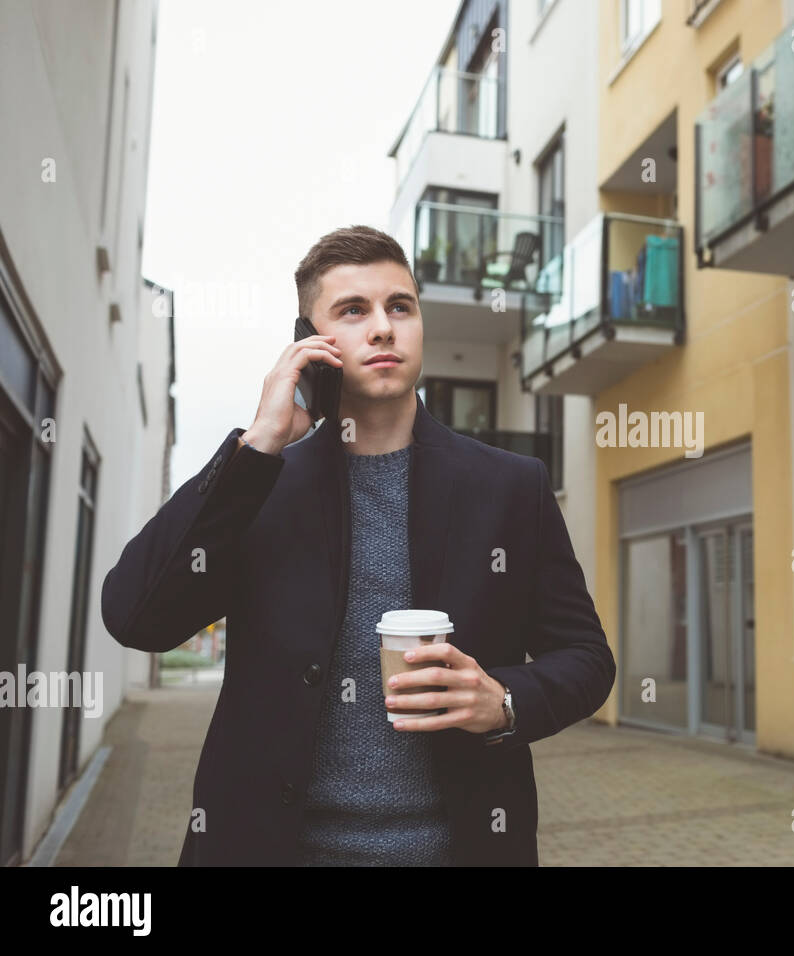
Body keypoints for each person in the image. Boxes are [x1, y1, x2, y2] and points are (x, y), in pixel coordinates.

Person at [100, 225, 615, 866]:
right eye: (353, 310)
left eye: (400, 306)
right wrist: (257, 443)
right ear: (307, 342)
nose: (383, 327)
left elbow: (588, 659)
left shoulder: (511, 486)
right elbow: (135, 616)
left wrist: (505, 702)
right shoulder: (258, 483)